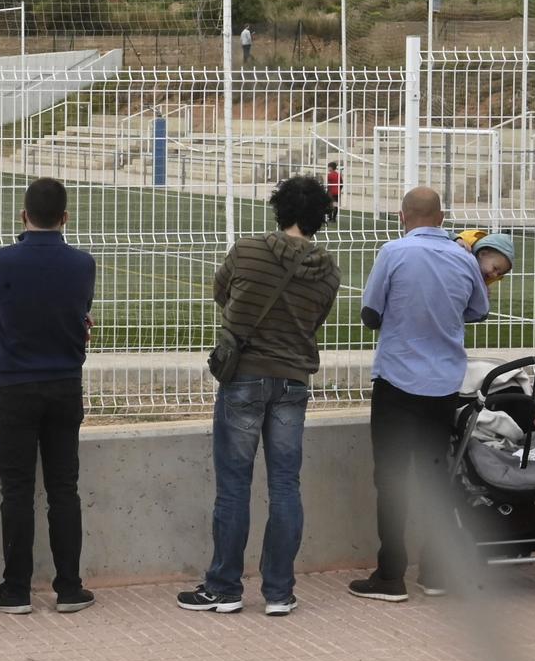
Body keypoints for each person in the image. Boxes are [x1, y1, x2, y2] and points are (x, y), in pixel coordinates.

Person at [181, 175, 342, 616]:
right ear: (319, 218)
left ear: (280, 208)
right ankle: (279, 591)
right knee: (285, 486)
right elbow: (316, 319)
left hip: (246, 375)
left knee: (234, 486)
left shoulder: (248, 250)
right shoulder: (327, 268)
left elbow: (222, 294)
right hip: (293, 379)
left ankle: (224, 587)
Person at [347, 187, 489, 603]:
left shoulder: (393, 252)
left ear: (402, 215)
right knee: (435, 477)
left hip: (396, 381)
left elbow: (370, 315)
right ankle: (436, 571)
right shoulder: (463, 258)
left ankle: (391, 575)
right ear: (442, 218)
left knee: (391, 479)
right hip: (443, 384)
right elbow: (478, 311)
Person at [0, 178, 96, 614]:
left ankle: (17, 588)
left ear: (23, 215)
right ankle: (69, 587)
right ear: (65, 218)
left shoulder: (4, 261)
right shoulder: (82, 263)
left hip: (16, 383)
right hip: (65, 383)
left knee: (18, 488)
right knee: (64, 487)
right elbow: (82, 311)